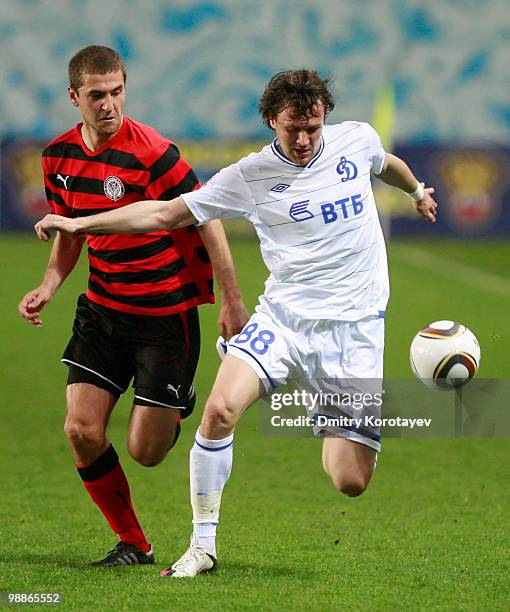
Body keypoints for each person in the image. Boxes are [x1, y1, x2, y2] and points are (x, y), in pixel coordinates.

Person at [34, 68, 438, 577]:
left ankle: (333, 413)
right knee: (220, 410)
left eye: (313, 127)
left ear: (325, 118)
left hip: (353, 332)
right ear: (272, 120)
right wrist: (79, 222)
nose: (304, 139)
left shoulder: (355, 140)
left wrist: (417, 191)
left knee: (349, 480)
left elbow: (387, 164)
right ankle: (202, 546)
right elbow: (161, 215)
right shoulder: (248, 175)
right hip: (285, 320)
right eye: (293, 128)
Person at [19, 45, 248, 567]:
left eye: (117, 91)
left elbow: (207, 217)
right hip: (102, 310)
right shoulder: (57, 158)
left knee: (147, 452)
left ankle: (172, 404)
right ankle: (134, 543)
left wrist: (231, 298)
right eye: (96, 95)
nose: (109, 104)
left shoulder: (155, 153)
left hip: (164, 317)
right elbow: (70, 229)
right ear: (74, 96)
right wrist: (50, 283)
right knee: (80, 429)